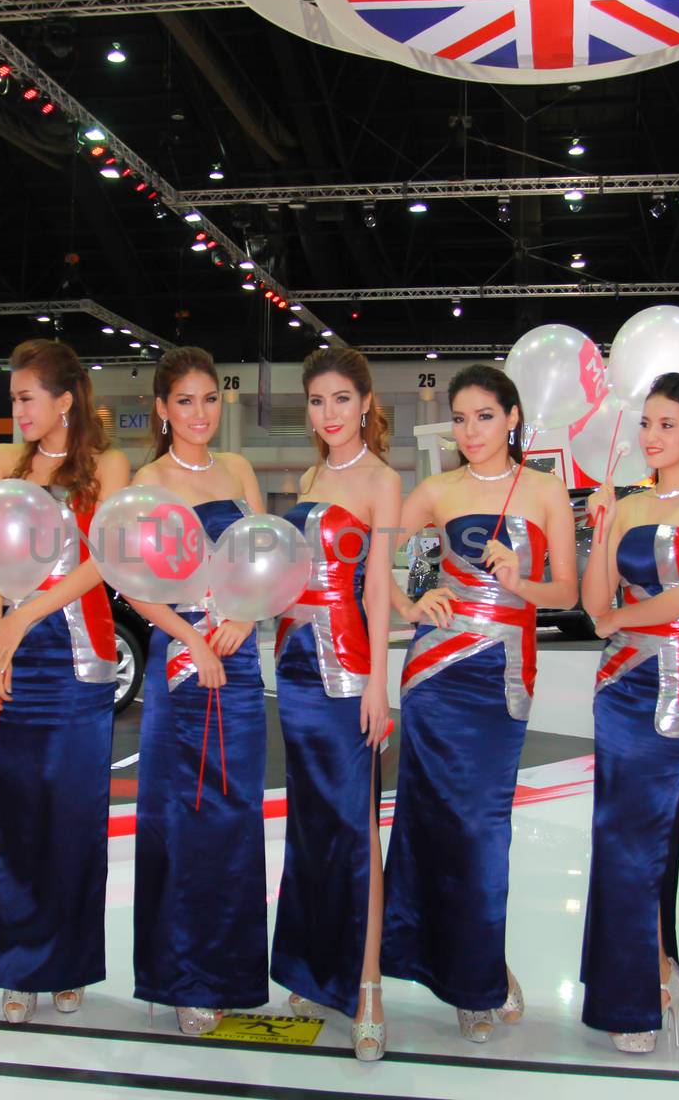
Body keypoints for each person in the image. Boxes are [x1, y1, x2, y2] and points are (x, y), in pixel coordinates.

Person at [382, 365, 577, 1043]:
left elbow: (568, 595)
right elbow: (383, 557)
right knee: (430, 822)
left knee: (482, 830)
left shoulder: (547, 492)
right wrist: (412, 601)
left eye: (485, 417)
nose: (471, 432)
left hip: (502, 680)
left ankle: (478, 968)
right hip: (436, 671)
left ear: (514, 418)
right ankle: (463, 975)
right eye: (460, 419)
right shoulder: (437, 489)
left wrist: (522, 579)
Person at [0, 338, 131, 1024]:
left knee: (72, 820)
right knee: (15, 817)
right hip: (15, 657)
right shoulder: (1, 463)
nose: (18, 410)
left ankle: (68, 965)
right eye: (13, 399)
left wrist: (21, 618)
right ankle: (15, 966)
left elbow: (105, 561)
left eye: (27, 397)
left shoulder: (109, 466)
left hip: (80, 664)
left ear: (65, 400)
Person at [578, 373, 679, 1052]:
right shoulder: (633, 505)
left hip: (673, 678)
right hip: (616, 683)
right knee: (618, 835)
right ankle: (648, 972)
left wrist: (619, 616)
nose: (652, 437)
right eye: (646, 423)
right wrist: (602, 529)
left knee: (644, 835)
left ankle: (647, 984)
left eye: (668, 424)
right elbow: (592, 602)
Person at [123, 347, 268, 1036]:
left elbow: (266, 556)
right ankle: (184, 978)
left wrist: (244, 616)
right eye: (185, 401)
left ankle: (233, 973)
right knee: (183, 818)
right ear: (161, 409)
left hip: (239, 662)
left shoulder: (239, 471)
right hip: (185, 660)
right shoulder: (146, 479)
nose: (200, 413)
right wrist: (198, 639)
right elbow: (135, 584)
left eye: (210, 399)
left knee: (235, 817)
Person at [270, 347, 399, 1061]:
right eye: (318, 402)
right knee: (312, 828)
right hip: (293, 667)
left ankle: (369, 986)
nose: (329, 415)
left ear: (367, 401)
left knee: (356, 830)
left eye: (342, 400)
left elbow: (377, 586)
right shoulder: (312, 476)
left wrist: (381, 681)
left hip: (348, 673)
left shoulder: (382, 479)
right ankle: (319, 968)